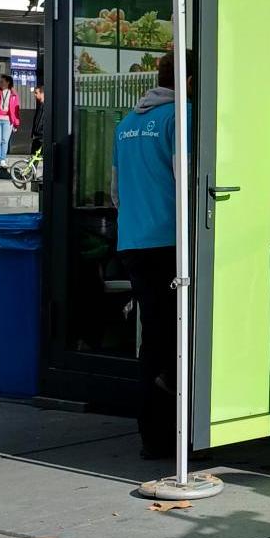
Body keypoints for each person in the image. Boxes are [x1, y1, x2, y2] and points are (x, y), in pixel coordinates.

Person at [115, 52, 180, 462]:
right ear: (190, 79)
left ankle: (152, 436)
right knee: (178, 340)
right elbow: (190, 178)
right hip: (172, 243)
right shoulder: (181, 116)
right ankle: (175, 437)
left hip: (135, 242)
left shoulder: (126, 124)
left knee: (154, 338)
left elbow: (116, 191)